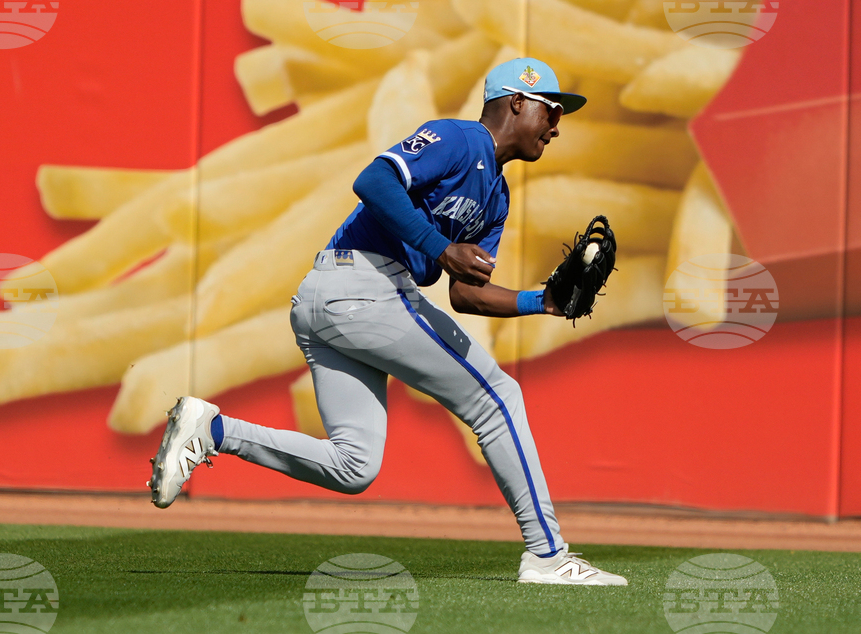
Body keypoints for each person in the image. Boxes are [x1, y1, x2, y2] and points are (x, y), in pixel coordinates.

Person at [148, 58, 627, 586]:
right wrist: (441, 248)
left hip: (339, 301)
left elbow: (465, 294)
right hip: (360, 286)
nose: (557, 125)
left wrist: (544, 302)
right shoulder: (459, 139)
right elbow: (373, 179)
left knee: (354, 466)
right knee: (498, 399)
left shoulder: (497, 197)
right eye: (552, 110)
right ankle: (548, 556)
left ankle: (212, 430)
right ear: (517, 102)